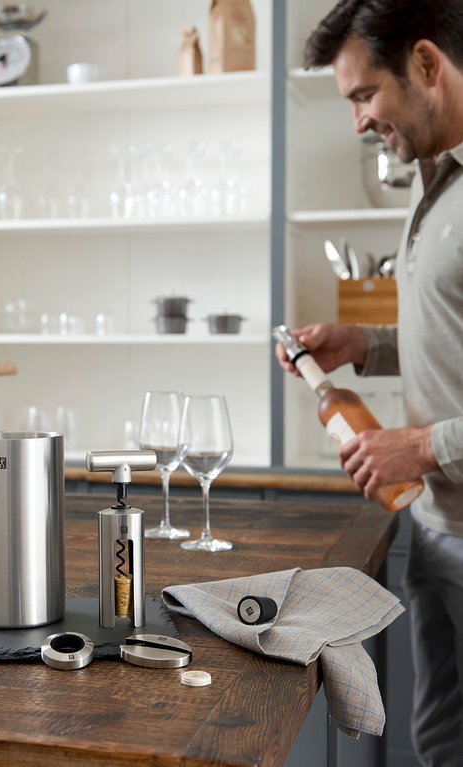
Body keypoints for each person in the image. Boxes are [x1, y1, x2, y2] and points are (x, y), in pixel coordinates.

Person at [275, 2, 463, 764]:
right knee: (442, 745)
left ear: (426, 64)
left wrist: (419, 446)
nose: (356, 121)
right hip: (438, 530)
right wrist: (364, 344)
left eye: (362, 94)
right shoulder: (431, 186)